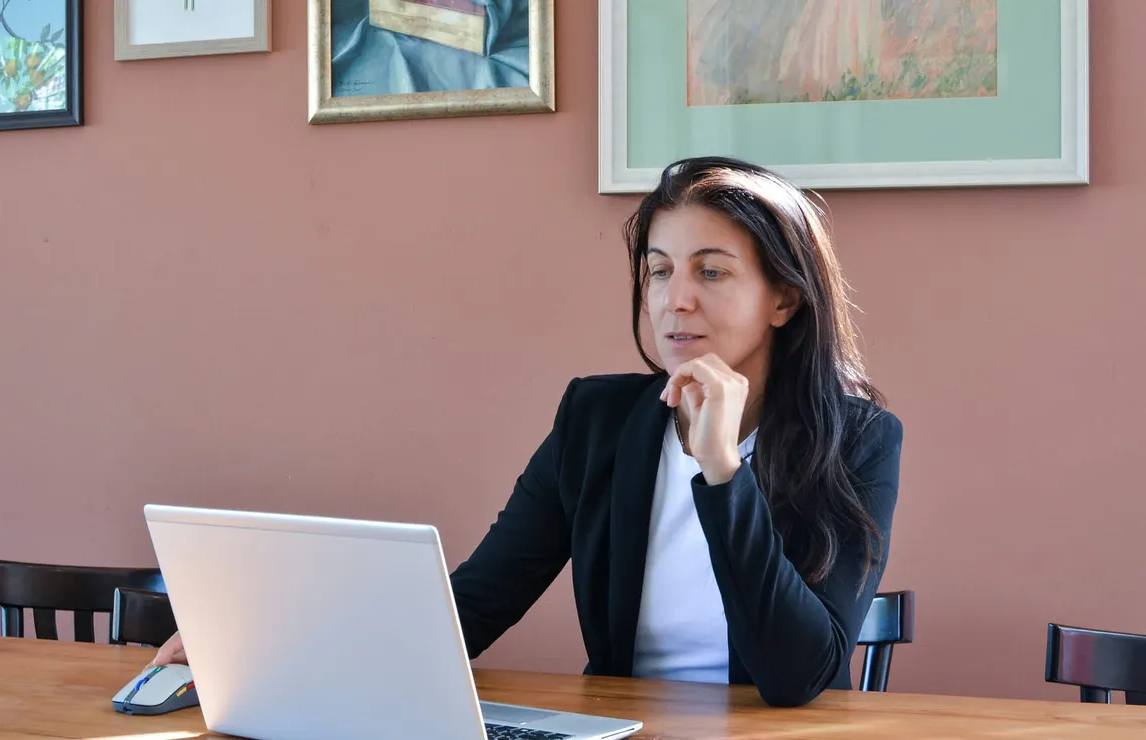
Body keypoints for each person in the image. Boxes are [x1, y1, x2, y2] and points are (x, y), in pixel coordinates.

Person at [150, 156, 903, 708]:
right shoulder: (596, 421)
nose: (674, 302)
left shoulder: (861, 442)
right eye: (658, 270)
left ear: (784, 300)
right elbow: (475, 605)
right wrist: (267, 653)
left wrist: (722, 475)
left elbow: (798, 675)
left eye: (711, 273)